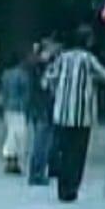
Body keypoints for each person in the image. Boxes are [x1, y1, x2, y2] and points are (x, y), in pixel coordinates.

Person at [45, 25, 105, 202]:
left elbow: (47, 80)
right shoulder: (88, 59)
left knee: (64, 151)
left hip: (61, 114)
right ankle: (71, 188)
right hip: (82, 116)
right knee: (77, 154)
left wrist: (57, 93)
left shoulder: (62, 58)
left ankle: (62, 187)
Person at [27, 36, 62, 186]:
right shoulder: (40, 66)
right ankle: (36, 173)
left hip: (41, 107)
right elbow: (44, 85)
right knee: (41, 142)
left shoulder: (37, 64)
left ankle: (43, 169)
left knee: (46, 141)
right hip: (43, 107)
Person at [0, 50, 31, 175]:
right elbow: (26, 93)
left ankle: (9, 159)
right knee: (19, 135)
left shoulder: (5, 74)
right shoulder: (23, 75)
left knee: (11, 133)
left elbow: (3, 91)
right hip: (19, 108)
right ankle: (14, 160)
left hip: (8, 108)